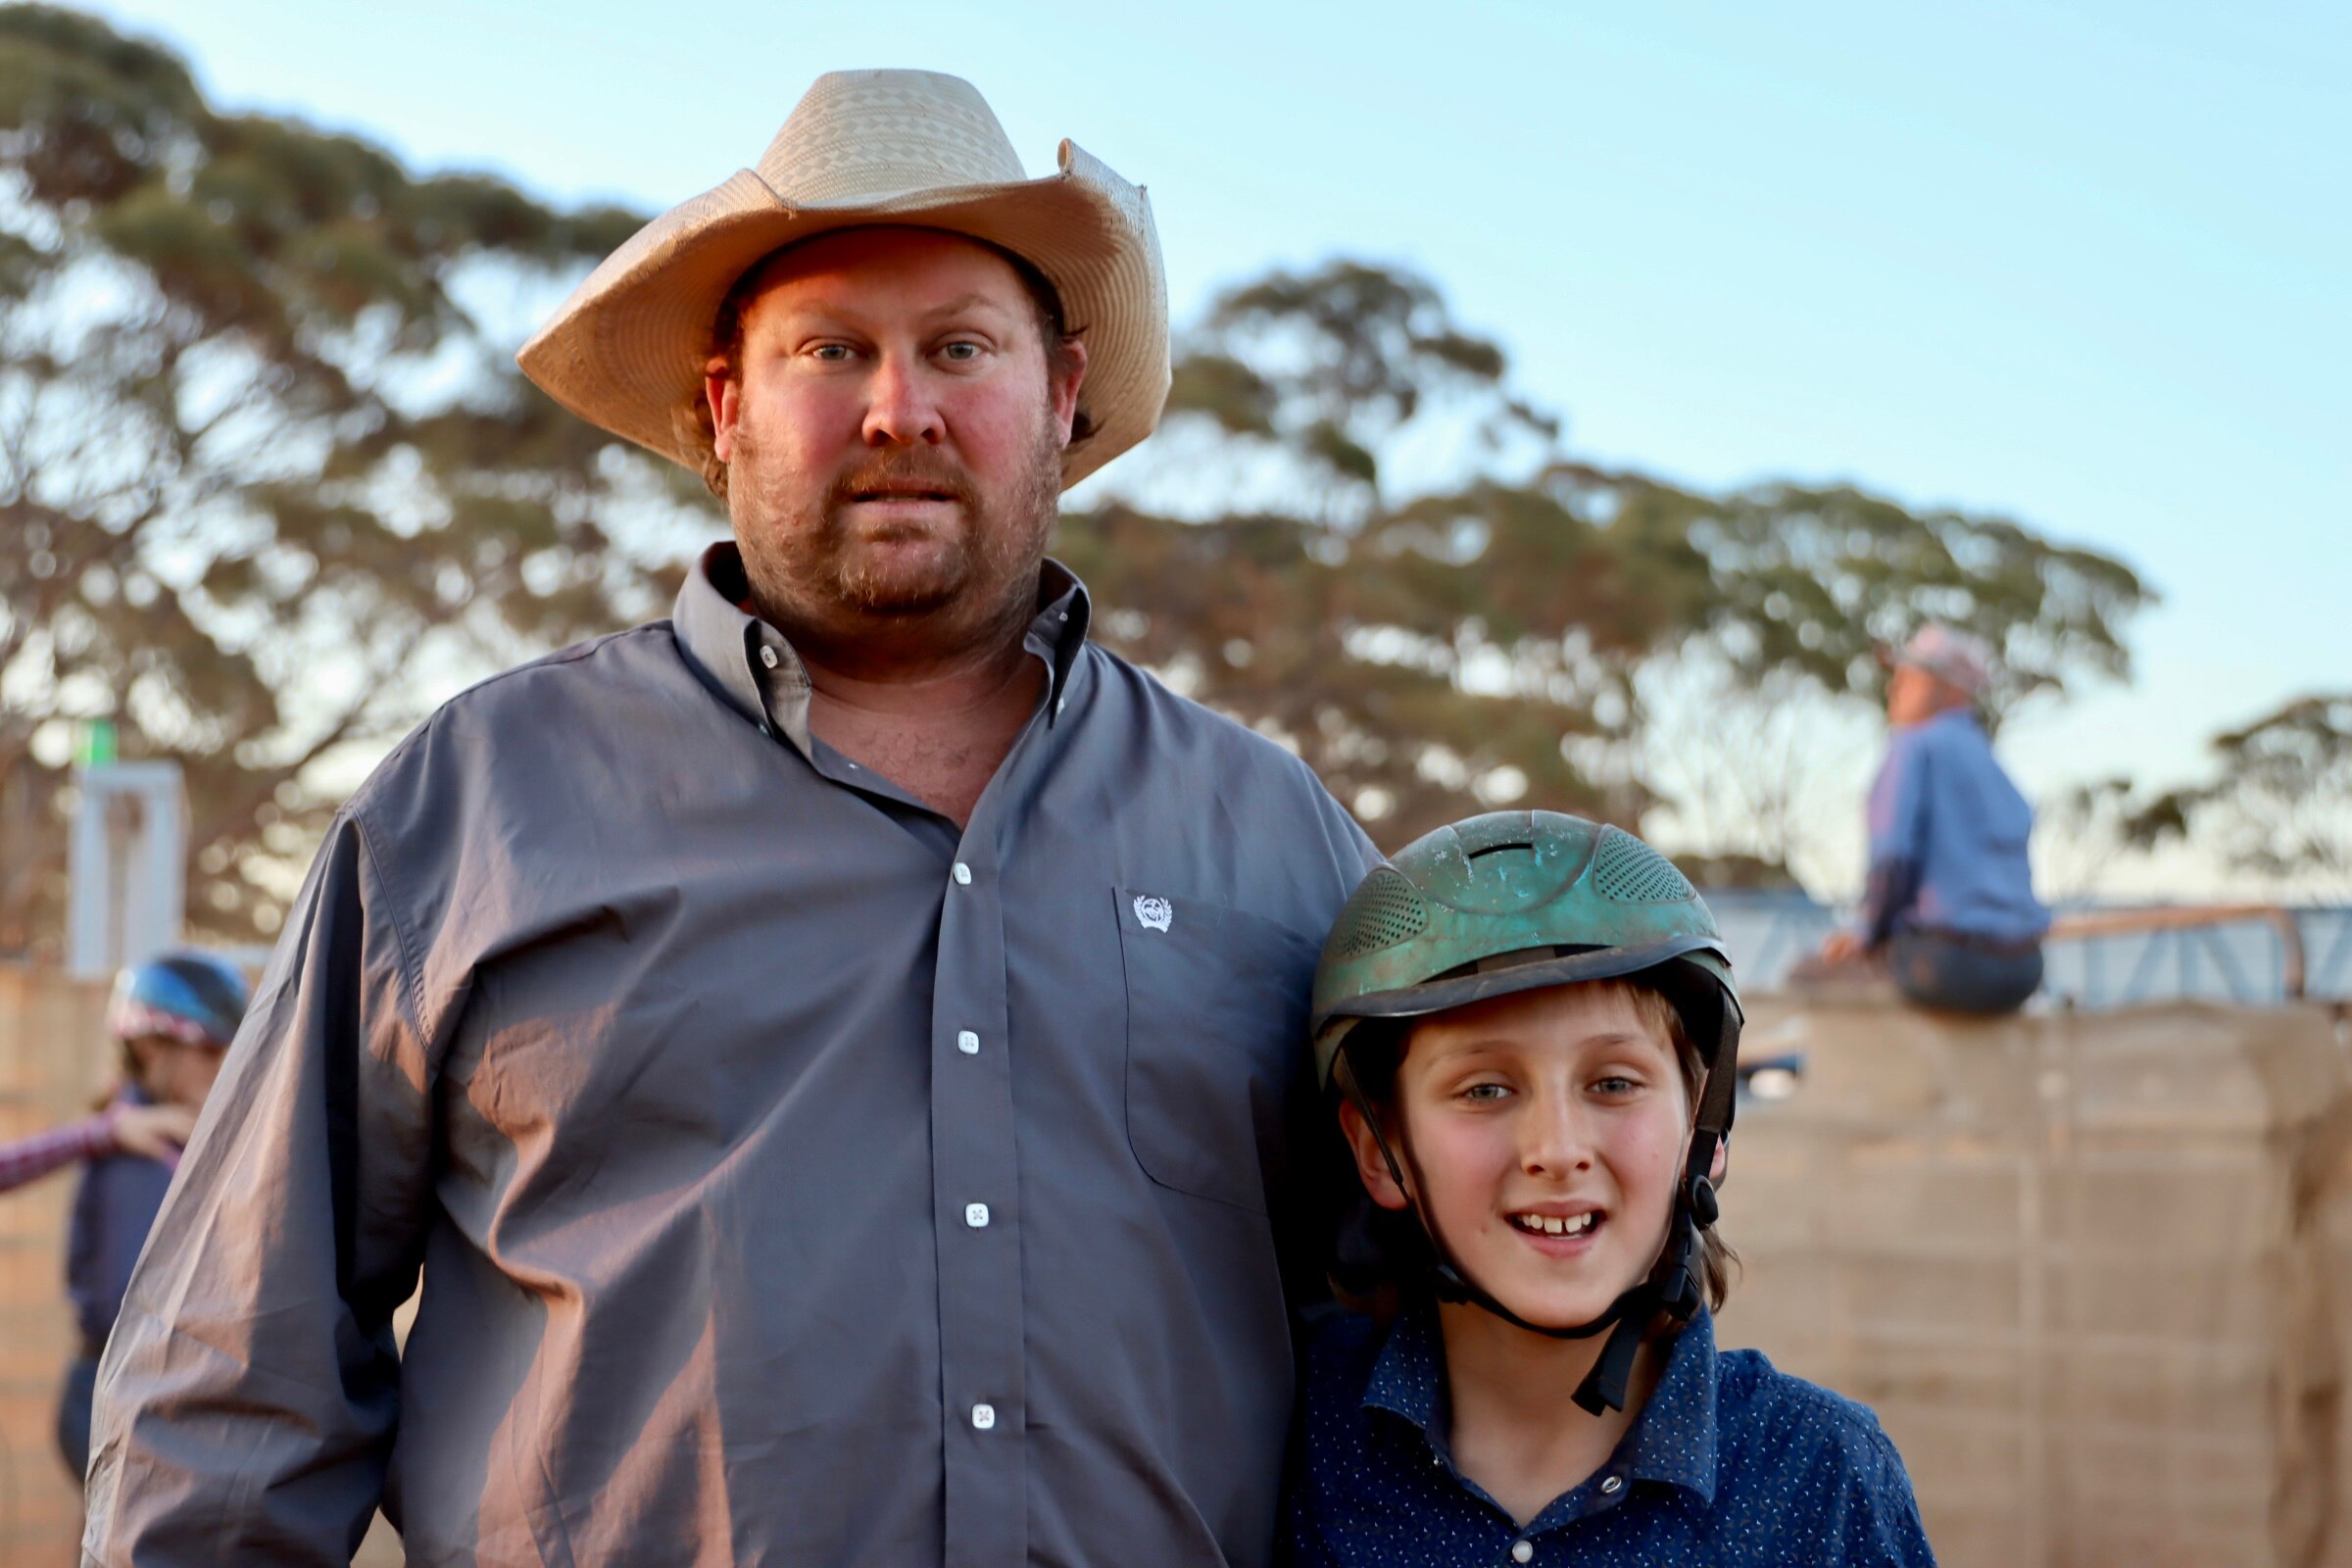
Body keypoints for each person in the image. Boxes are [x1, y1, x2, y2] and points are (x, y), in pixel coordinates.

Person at [83, 71, 1376, 1566]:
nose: (902, 410)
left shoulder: (1271, 839)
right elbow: (236, 1382)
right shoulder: (476, 803)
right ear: (724, 406)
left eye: (961, 347)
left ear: (1064, 391)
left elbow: (1448, 1329)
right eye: (833, 350)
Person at [1288, 810, 1935, 1565]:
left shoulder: (1821, 1481)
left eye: (1614, 1082)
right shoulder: (1291, 1437)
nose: (1557, 1150)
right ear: (1380, 1148)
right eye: (1486, 1091)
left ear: (1704, 1129)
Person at [54, 950, 248, 1483]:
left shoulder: (163, 1133)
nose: (224, 1062)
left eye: (234, 1047)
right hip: (127, 1398)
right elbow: (136, 1300)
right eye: (209, 1048)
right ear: (150, 1047)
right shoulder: (138, 1150)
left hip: (131, 1393)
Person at [1814, 623, 2049, 1014]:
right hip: (2023, 968)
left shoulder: (1913, 744)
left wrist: (1868, 933)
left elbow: (1891, 857)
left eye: (1910, 679)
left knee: (1807, 975)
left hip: (1950, 965)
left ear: (1952, 690)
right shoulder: (1990, 761)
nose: (1895, 688)